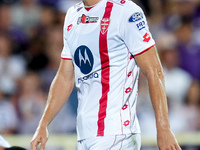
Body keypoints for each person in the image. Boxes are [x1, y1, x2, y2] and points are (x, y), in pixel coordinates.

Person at [31, 0, 182, 149]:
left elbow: (154, 70)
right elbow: (64, 77)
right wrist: (43, 124)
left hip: (117, 133)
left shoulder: (125, 11)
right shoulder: (72, 15)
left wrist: (163, 128)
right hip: (85, 134)